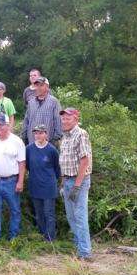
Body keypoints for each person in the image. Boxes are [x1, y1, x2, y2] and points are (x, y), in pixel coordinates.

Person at [0, 113, 26, 241]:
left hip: (11, 181)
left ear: (7, 125)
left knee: (15, 210)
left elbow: (22, 162)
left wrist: (20, 182)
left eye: (0, 124)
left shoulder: (17, 141)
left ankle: (13, 237)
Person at [59, 107, 93, 261]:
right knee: (71, 216)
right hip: (67, 180)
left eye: (68, 118)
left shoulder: (81, 134)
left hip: (78, 181)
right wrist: (62, 183)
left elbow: (85, 161)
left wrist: (77, 185)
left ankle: (85, 253)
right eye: (63, 118)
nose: (65, 121)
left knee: (80, 216)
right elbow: (64, 162)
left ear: (76, 120)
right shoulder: (65, 136)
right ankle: (78, 246)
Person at [25, 124, 60, 241]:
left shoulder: (52, 150)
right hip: (35, 185)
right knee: (39, 213)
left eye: (40, 133)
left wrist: (52, 180)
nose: (38, 135)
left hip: (49, 187)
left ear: (46, 134)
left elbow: (57, 169)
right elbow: (28, 166)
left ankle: (50, 238)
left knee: (49, 213)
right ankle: (42, 235)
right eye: (36, 133)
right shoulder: (29, 149)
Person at [21, 76, 62, 146]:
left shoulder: (54, 102)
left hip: (48, 142)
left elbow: (58, 120)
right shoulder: (31, 102)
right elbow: (26, 121)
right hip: (32, 142)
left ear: (47, 87)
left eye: (41, 85)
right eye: (37, 85)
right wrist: (24, 136)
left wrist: (56, 138)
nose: (38, 88)